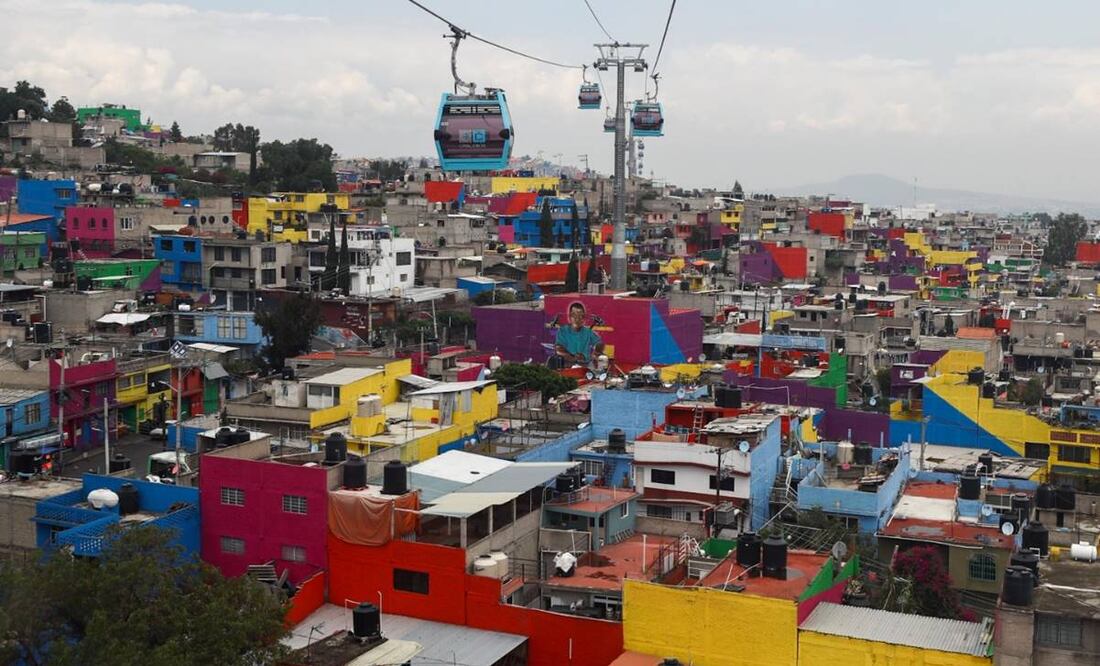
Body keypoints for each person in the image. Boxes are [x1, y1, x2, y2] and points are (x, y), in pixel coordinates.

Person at [554, 301, 604, 367]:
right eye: (574, 315)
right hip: (568, 365)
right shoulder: (563, 331)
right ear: (569, 316)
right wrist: (573, 358)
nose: (577, 319)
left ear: (584, 318)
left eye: (581, 316)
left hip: (585, 365)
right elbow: (559, 349)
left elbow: (599, 343)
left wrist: (596, 352)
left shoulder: (588, 331)